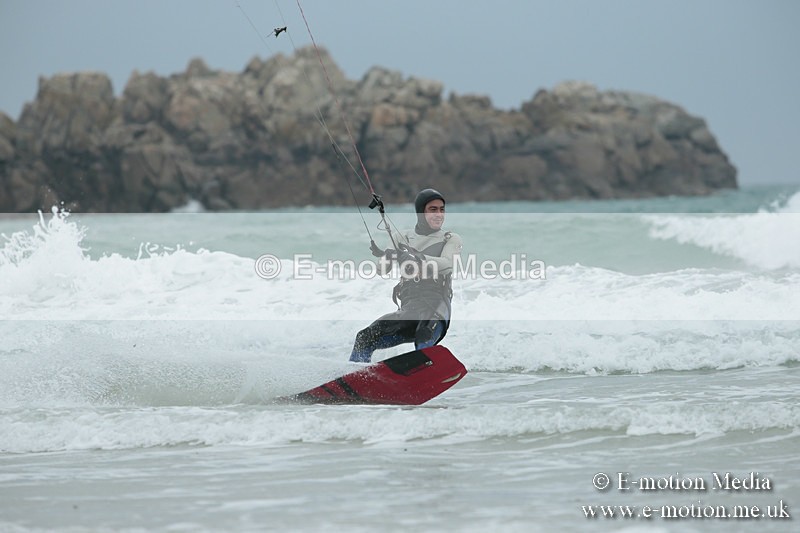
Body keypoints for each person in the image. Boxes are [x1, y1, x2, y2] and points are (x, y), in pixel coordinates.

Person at [349, 188, 463, 363]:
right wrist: (390, 254)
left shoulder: (450, 238)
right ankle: (355, 379)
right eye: (433, 209)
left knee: (423, 337)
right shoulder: (400, 237)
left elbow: (447, 264)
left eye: (442, 209)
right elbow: (382, 269)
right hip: (409, 310)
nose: (439, 214)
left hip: (436, 308)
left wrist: (415, 256)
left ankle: (423, 377)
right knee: (364, 337)